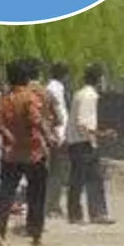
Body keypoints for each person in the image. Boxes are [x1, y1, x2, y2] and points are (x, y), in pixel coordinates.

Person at [0, 58, 58, 246]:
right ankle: (36, 241)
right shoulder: (29, 98)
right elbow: (36, 119)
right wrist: (49, 137)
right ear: (26, 78)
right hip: (33, 153)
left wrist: (5, 131)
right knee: (36, 198)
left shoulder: (0, 101)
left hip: (10, 154)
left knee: (5, 195)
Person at [63, 63, 111, 225]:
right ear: (99, 79)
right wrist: (101, 134)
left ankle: (94, 213)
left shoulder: (79, 94)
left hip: (78, 142)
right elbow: (83, 123)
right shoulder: (90, 96)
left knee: (92, 178)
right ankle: (80, 215)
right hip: (83, 143)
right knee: (81, 179)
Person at [43, 63, 70, 217]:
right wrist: (60, 134)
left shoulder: (53, 87)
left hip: (56, 135)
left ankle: (53, 204)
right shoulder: (55, 88)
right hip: (58, 136)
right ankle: (52, 205)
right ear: (64, 76)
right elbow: (58, 114)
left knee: (55, 172)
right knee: (56, 172)